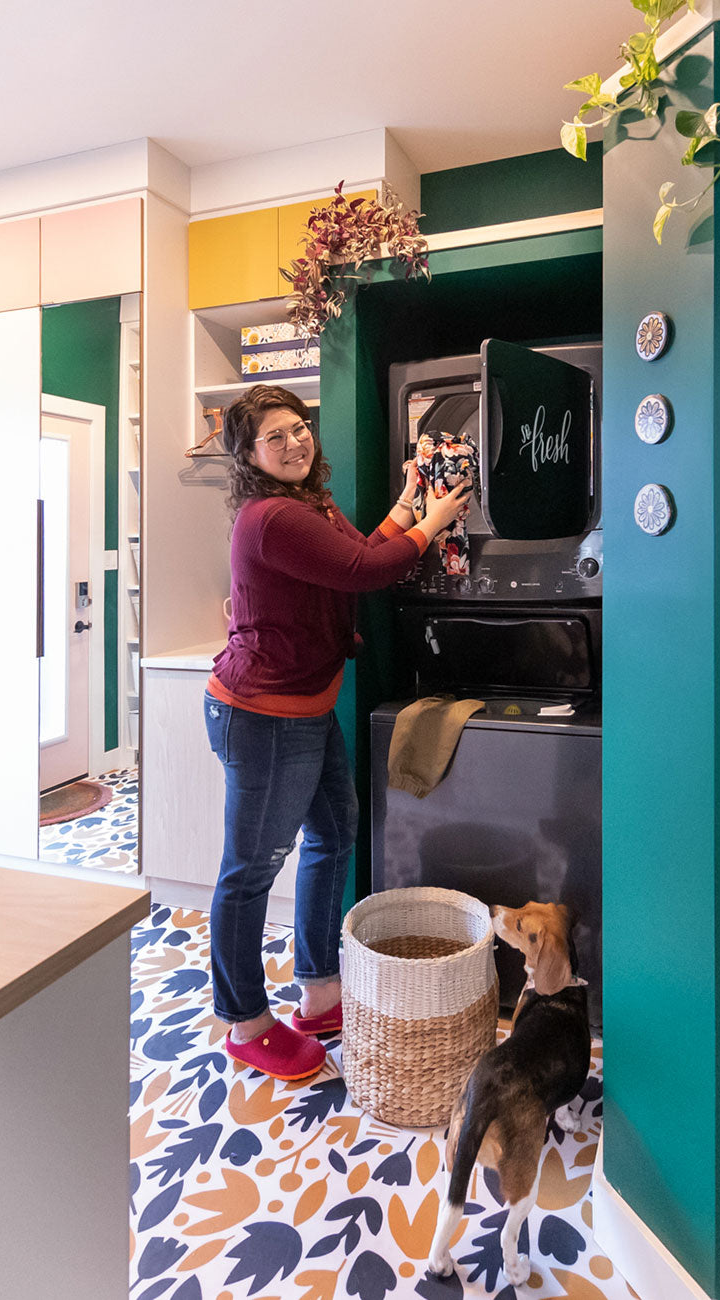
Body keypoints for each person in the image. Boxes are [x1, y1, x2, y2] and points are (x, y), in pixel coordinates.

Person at [205, 383, 472, 1080]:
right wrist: (434, 523)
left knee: (332, 834)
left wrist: (410, 504)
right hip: (261, 713)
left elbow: (355, 557)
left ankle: (321, 991)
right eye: (275, 436)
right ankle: (244, 1021)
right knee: (252, 869)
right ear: (249, 454)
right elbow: (366, 570)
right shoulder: (270, 517)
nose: (295, 442)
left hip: (305, 704)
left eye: (299, 428)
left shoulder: (310, 506)